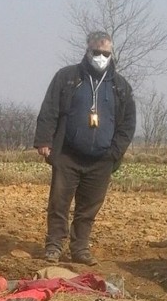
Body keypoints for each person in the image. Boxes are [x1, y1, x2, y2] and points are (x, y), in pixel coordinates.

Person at [33, 32, 136, 266]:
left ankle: (80, 248)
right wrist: (44, 141)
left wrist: (115, 152)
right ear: (87, 51)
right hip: (68, 154)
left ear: (112, 54)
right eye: (96, 53)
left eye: (105, 54)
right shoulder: (67, 77)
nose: (100, 57)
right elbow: (49, 108)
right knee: (59, 203)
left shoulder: (120, 86)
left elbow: (128, 123)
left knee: (88, 208)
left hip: (102, 159)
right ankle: (54, 245)